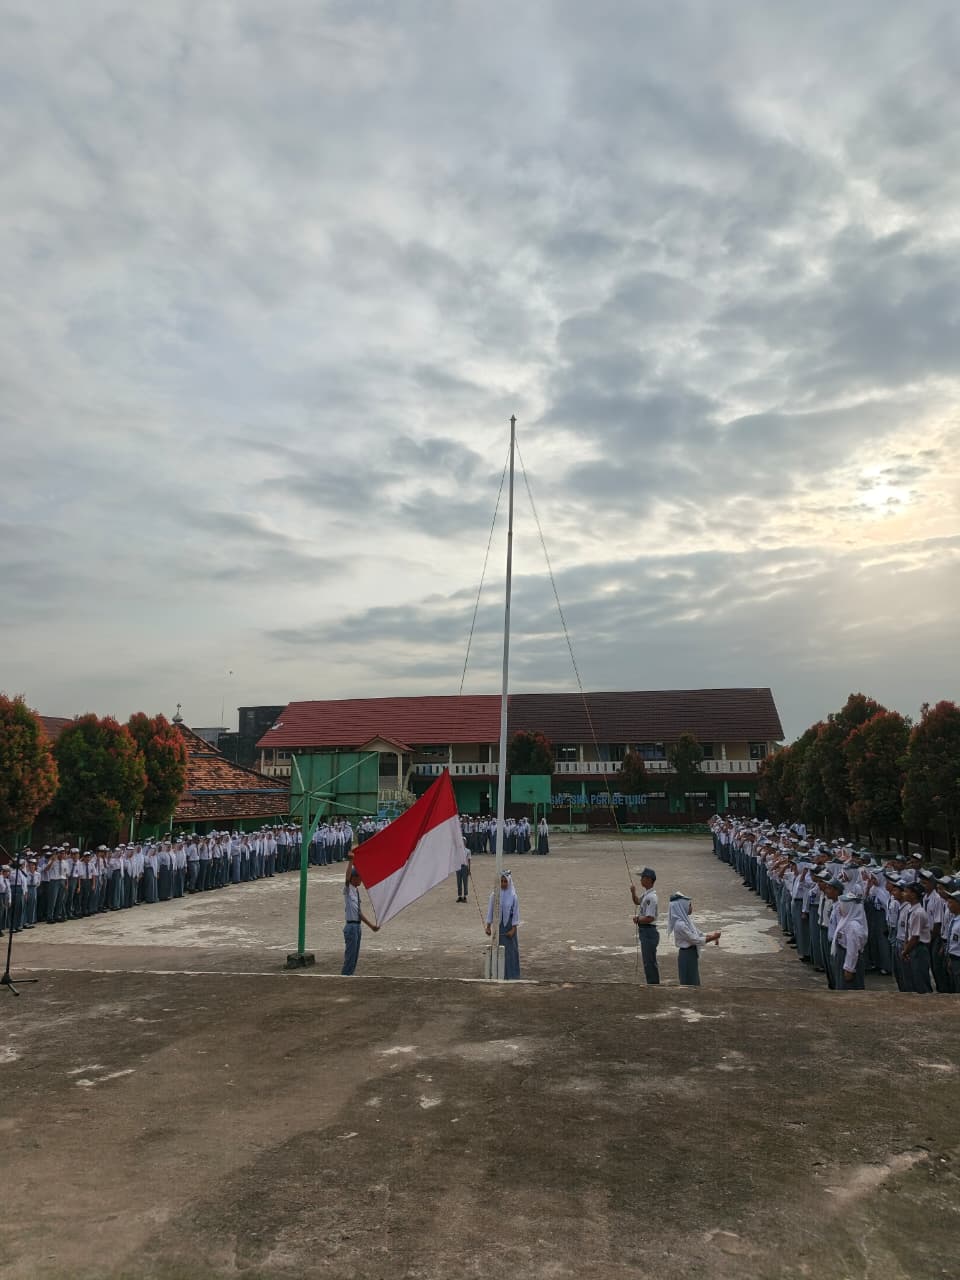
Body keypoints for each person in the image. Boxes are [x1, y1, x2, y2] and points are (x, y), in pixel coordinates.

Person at [667, 892, 720, 986]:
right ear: (682, 907)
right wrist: (713, 937)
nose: (691, 907)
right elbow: (695, 940)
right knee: (689, 983)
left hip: (691, 953)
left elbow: (699, 933)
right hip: (687, 955)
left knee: (693, 980)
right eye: (689, 905)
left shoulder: (686, 921)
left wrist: (711, 936)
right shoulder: (680, 925)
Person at [341, 860, 379, 975]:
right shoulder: (348, 890)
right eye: (359, 878)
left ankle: (349, 975)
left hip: (357, 927)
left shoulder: (356, 892)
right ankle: (345, 977)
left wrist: (371, 926)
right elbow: (346, 879)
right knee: (350, 956)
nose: (361, 880)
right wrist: (351, 861)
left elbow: (359, 913)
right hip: (351, 927)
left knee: (354, 956)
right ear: (354, 878)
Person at [485, 871, 520, 979]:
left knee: (510, 951)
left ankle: (512, 975)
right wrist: (488, 927)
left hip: (509, 928)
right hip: (498, 926)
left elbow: (515, 914)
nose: (504, 884)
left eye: (505, 881)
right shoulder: (494, 895)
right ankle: (496, 973)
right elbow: (490, 911)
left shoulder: (514, 896)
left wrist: (513, 929)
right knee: (497, 949)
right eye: (502, 881)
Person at [831, 892, 868, 990]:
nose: (839, 908)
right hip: (842, 956)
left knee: (849, 988)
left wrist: (849, 968)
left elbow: (852, 950)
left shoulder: (853, 926)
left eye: (842, 905)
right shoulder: (846, 920)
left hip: (847, 958)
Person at [630, 867, 660, 985]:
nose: (641, 880)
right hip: (646, 931)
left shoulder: (651, 897)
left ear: (648, 879)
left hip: (649, 932)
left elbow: (650, 918)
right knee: (647, 960)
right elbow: (637, 901)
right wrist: (633, 892)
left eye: (642, 878)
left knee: (649, 961)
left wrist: (638, 920)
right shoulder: (647, 894)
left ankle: (653, 984)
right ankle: (652, 983)